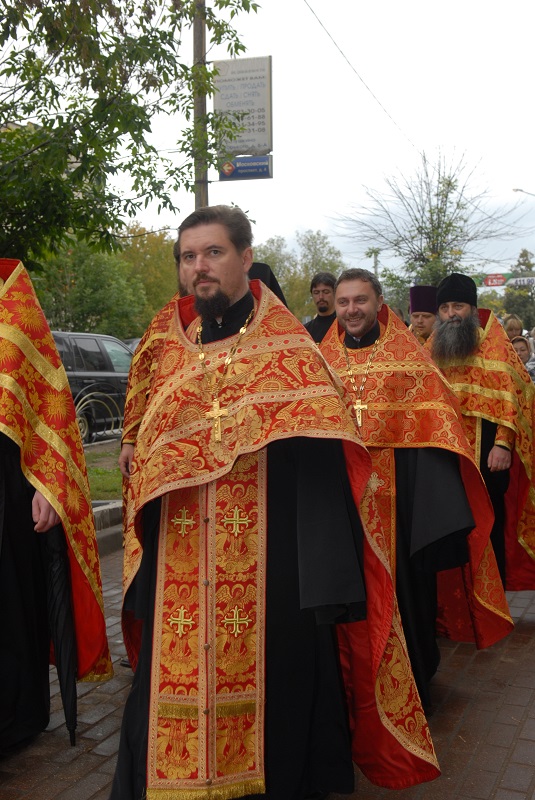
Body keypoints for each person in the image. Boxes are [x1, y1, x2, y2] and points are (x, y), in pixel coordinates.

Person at [111, 206, 442, 799]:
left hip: (271, 567)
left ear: (244, 258)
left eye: (213, 253)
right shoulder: (174, 352)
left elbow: (322, 460)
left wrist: (324, 579)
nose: (199, 267)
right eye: (188, 257)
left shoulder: (287, 346)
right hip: (181, 562)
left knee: (277, 698)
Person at [319, 268, 512, 710]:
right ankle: (352, 685)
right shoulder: (322, 358)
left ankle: (412, 681)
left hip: (398, 501)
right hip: (341, 501)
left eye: (360, 300)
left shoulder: (409, 356)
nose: (351, 309)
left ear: (378, 302)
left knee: (406, 595)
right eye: (344, 302)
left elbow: (436, 421)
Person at [0, 258, 112, 754]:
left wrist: (49, 487)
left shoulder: (16, 302)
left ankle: (13, 716)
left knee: (10, 599)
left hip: (8, 482)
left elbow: (51, 402)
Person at [430, 272, 535, 589]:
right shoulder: (433, 346)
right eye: (445, 307)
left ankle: (494, 591)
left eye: (458, 306)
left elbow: (517, 396)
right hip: (445, 453)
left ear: (472, 309)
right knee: (449, 525)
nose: (451, 313)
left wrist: (503, 444)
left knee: (489, 521)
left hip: (488, 453)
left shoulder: (496, 344)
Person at [304, 271, 336, 342]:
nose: (321, 297)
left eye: (326, 292)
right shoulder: (305, 332)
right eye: (316, 293)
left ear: (335, 293)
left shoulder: (345, 327)